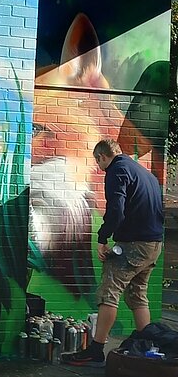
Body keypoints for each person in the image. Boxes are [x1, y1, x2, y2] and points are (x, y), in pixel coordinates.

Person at [65, 138, 164, 367]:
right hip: (153, 244)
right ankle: (146, 346)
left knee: (109, 291)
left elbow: (116, 209)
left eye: (97, 161)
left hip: (133, 244)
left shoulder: (116, 170)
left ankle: (96, 350)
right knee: (137, 295)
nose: (98, 167)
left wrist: (102, 238)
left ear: (101, 157)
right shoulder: (144, 173)